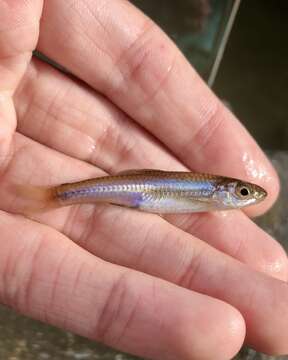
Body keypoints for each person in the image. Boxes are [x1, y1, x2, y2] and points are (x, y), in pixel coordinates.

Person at [0, 1, 287, 359]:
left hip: (141, 192)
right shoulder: (210, 193)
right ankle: (55, 196)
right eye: (242, 193)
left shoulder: (212, 193)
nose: (244, 197)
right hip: (139, 192)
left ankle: (54, 196)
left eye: (244, 193)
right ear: (224, 191)